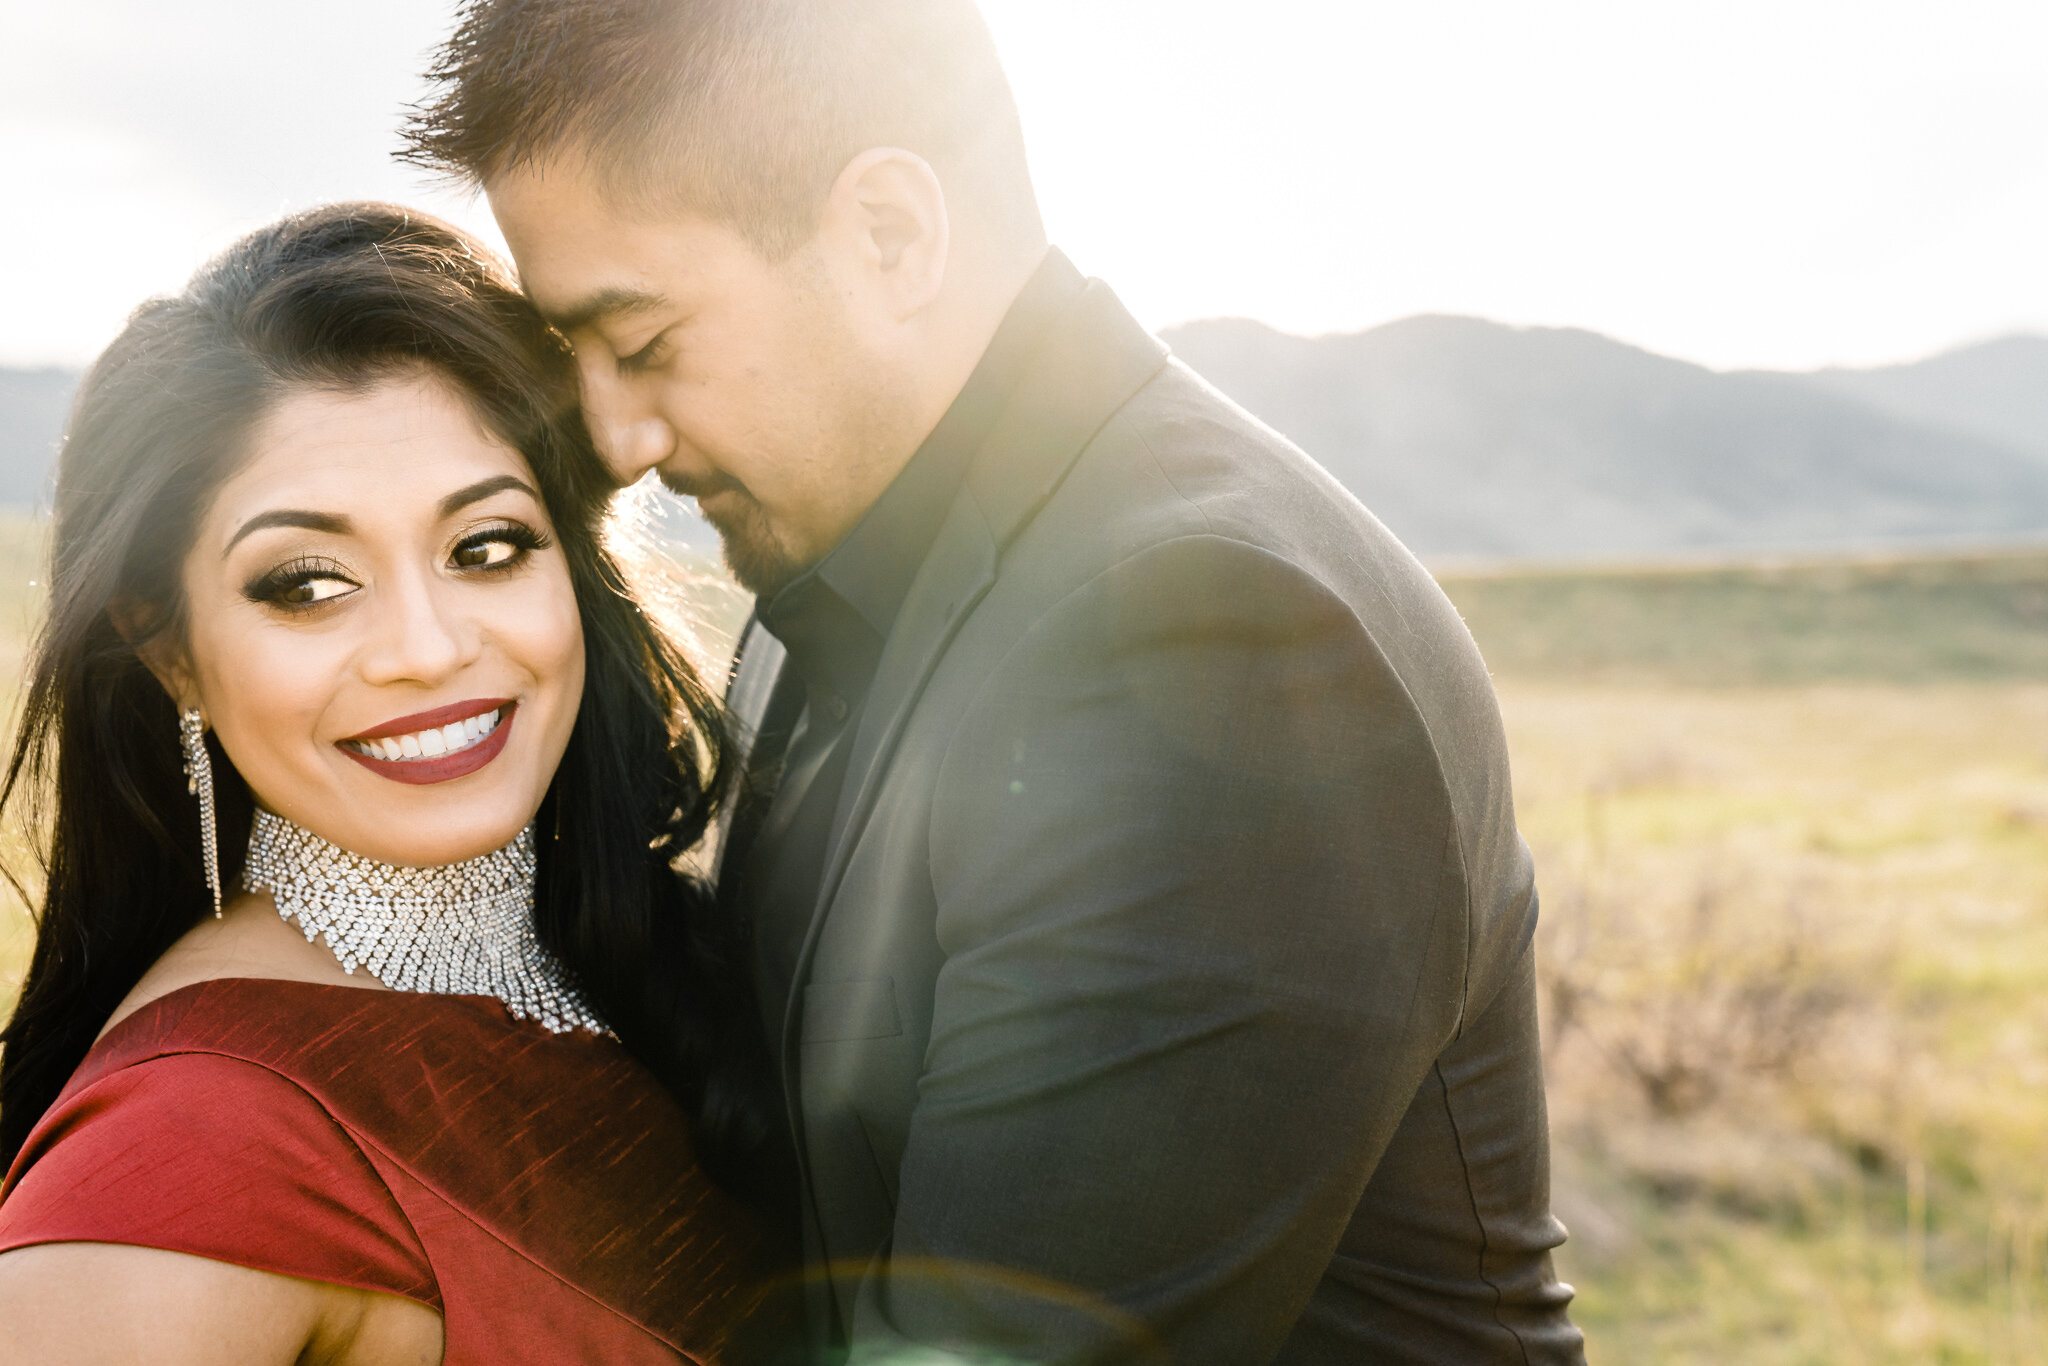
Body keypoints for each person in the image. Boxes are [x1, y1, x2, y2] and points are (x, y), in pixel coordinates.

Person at [410, 1, 1587, 1360]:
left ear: (890, 233)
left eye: (645, 340)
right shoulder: (839, 581)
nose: (618, 436)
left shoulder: (1201, 640)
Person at [0, 203, 788, 1364]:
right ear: (171, 651)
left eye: (486, 546)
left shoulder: (628, 955)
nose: (424, 646)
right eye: (307, 583)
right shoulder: (187, 1153)